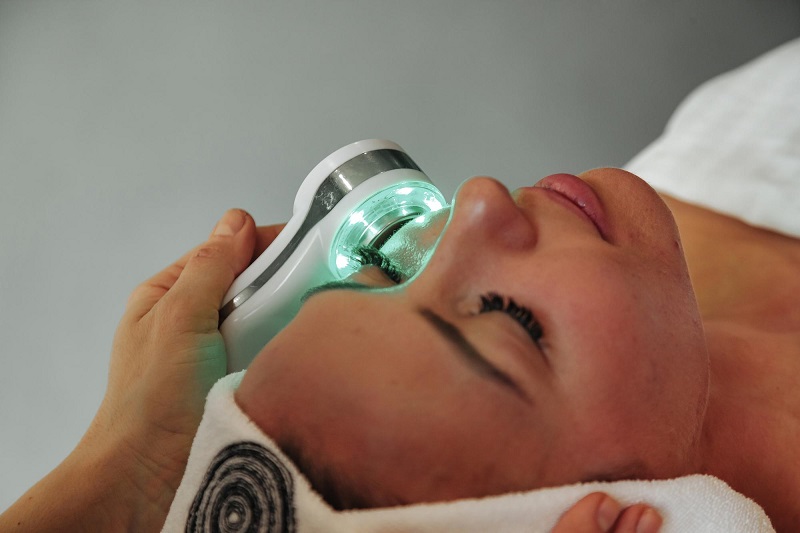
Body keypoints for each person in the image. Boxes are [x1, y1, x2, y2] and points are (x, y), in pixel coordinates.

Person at [4, 35, 800, 532]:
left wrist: (136, 465)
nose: (478, 201)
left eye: (392, 271)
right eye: (508, 317)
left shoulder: (738, 133)